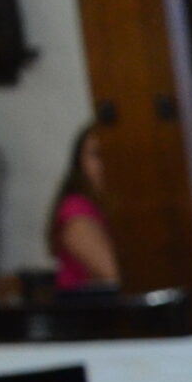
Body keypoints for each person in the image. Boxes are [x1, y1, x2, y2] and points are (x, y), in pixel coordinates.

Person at [47, 124, 118, 291]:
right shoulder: (77, 211)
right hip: (89, 306)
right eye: (97, 155)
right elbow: (113, 273)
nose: (106, 162)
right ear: (80, 162)